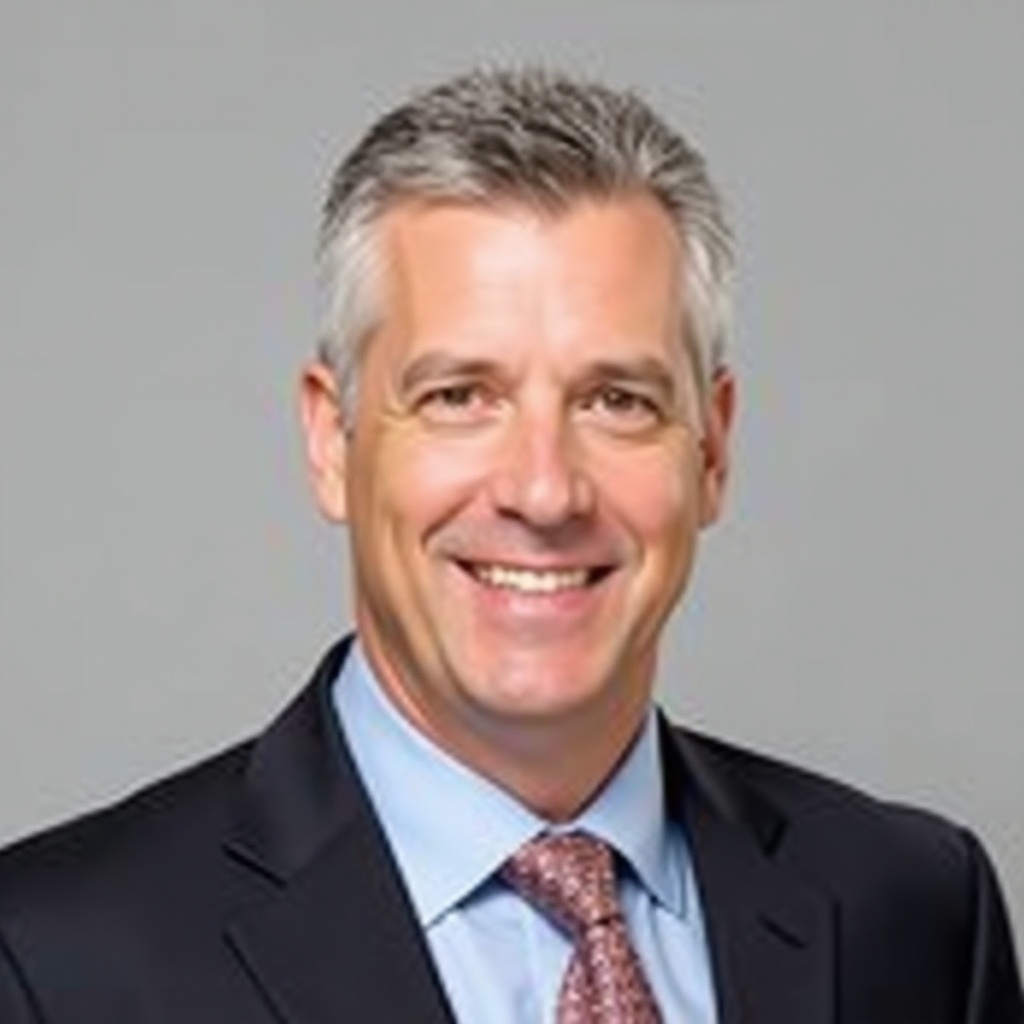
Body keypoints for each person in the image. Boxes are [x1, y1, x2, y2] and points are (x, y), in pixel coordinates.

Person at [0, 67, 1020, 1024]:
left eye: (617, 400)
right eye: (458, 397)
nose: (543, 489)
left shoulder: (920, 914)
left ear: (712, 448)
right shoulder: (55, 961)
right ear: (331, 438)